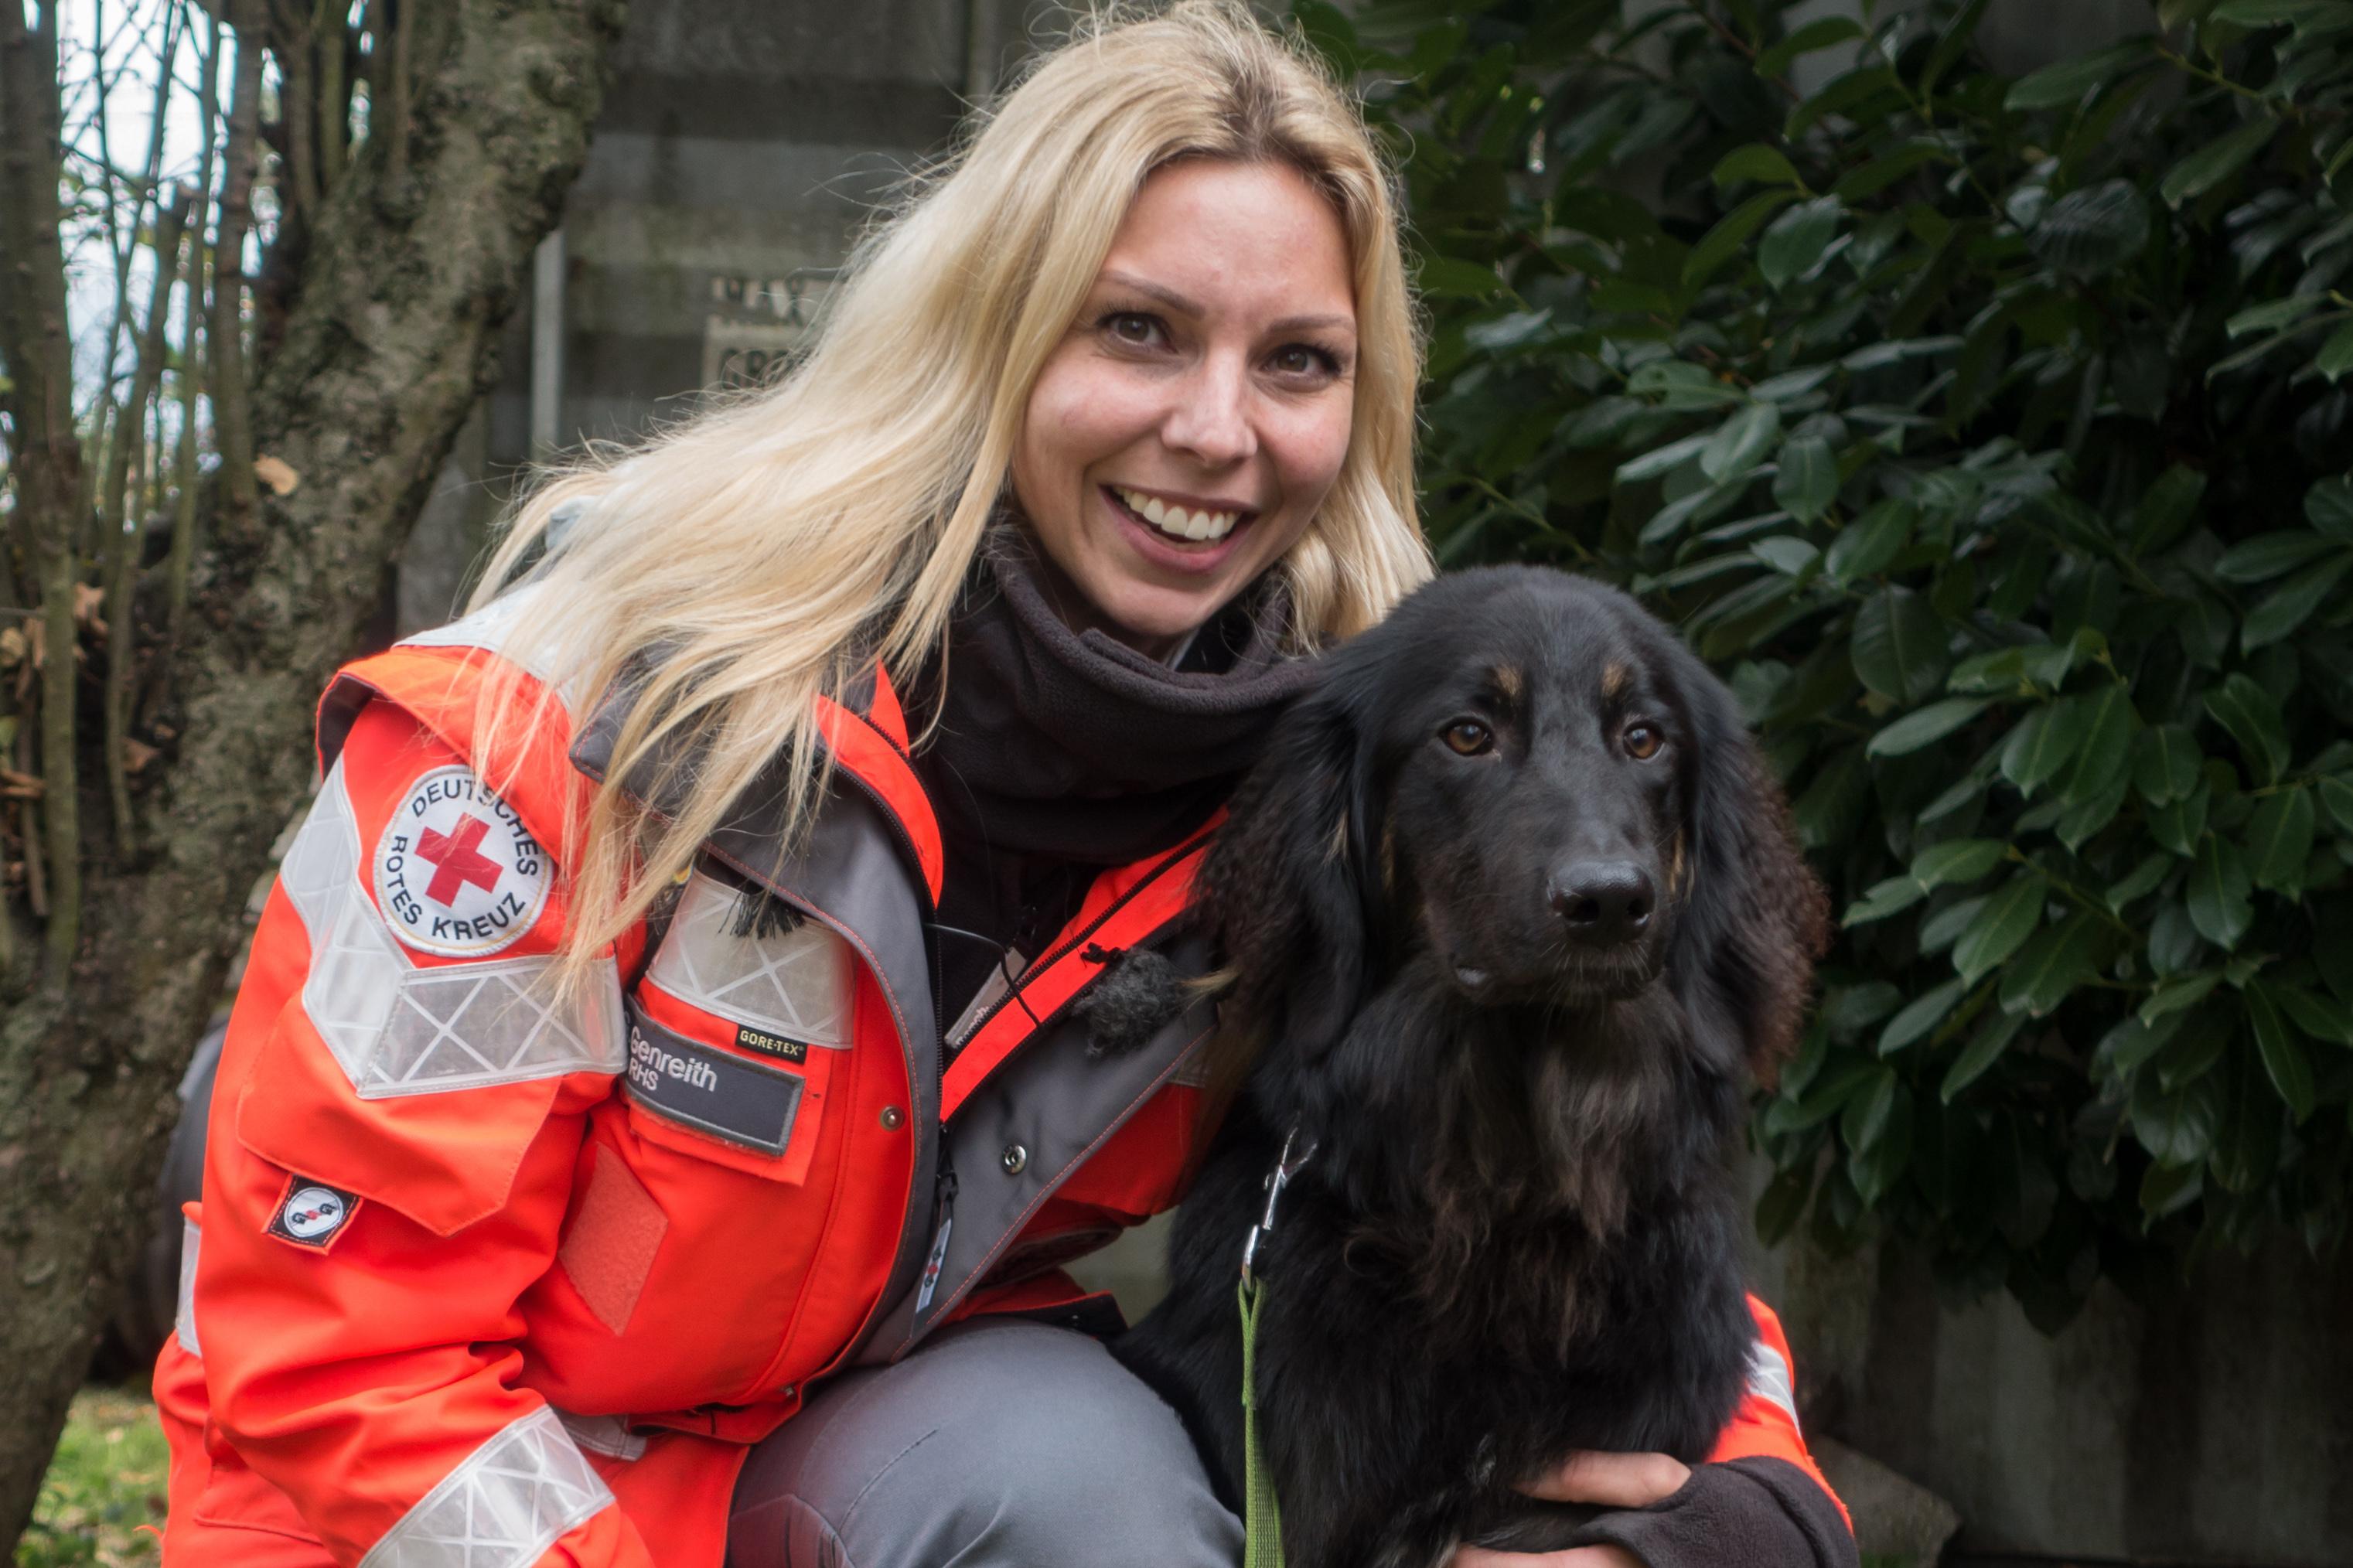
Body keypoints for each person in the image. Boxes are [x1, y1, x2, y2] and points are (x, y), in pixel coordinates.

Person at [153, 5, 1852, 1566]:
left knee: (1086, 1494)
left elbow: (1579, 1180)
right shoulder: (567, 721)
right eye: (1138, 330)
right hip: (412, 1500)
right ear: (984, 333)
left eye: (1295, 362)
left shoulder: (1311, 779)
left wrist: (1738, 1518)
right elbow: (343, 1356)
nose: (1215, 429)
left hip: (837, 1461)